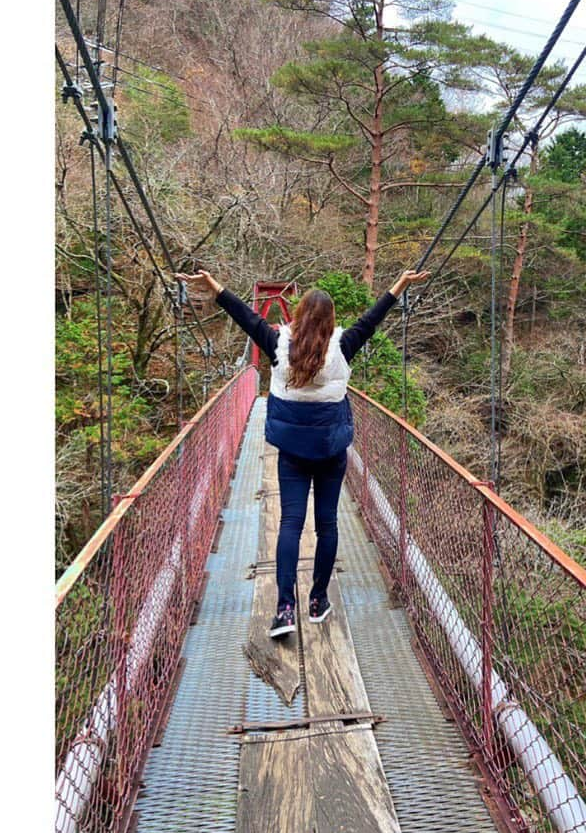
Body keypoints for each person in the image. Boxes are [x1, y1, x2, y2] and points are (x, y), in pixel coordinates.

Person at [174, 268, 431, 637]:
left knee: (290, 525)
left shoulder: (278, 346)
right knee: (327, 525)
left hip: (292, 453)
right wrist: (400, 285)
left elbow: (244, 315)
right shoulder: (344, 346)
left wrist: (214, 287)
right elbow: (374, 317)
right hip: (330, 453)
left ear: (297, 316)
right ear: (331, 321)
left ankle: (284, 609)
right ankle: (317, 601)